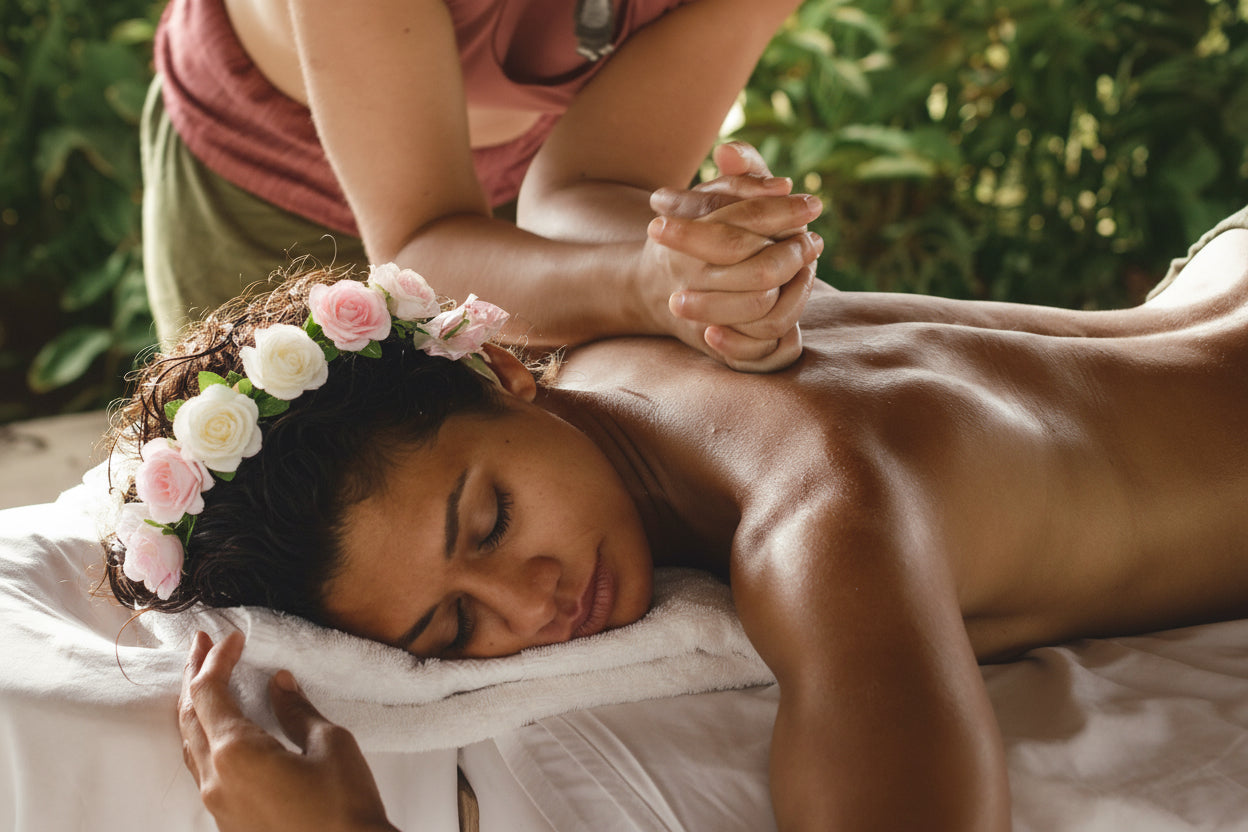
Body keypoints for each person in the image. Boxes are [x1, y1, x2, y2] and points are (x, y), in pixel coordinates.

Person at [106, 203, 1248, 831]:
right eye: (453, 632)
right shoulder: (624, 345)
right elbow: (574, 182)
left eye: (490, 522)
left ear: (507, 371)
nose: (532, 605)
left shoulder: (822, 521)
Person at [142, 0, 819, 371]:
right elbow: (419, 241)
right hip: (263, 182)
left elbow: (600, 184)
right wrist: (639, 284)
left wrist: (705, 266)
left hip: (513, 171)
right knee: (273, 498)